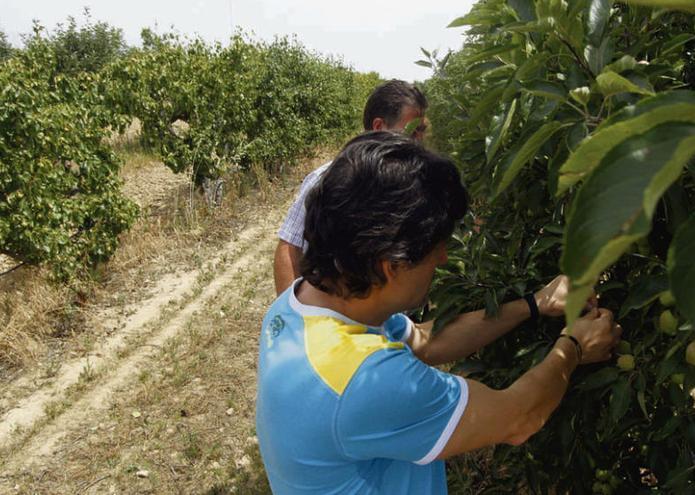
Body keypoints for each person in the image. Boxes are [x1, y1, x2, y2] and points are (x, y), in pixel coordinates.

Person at [256, 132, 621, 495]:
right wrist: (573, 346)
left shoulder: (300, 303)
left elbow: (427, 341)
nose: (443, 258)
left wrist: (535, 302)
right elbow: (518, 418)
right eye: (436, 248)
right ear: (391, 266)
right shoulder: (368, 381)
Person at [273, 79, 429, 294]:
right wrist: (289, 319)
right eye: (412, 131)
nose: (419, 141)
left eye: (422, 131)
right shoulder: (327, 179)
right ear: (379, 127)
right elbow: (290, 247)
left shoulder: (414, 185)